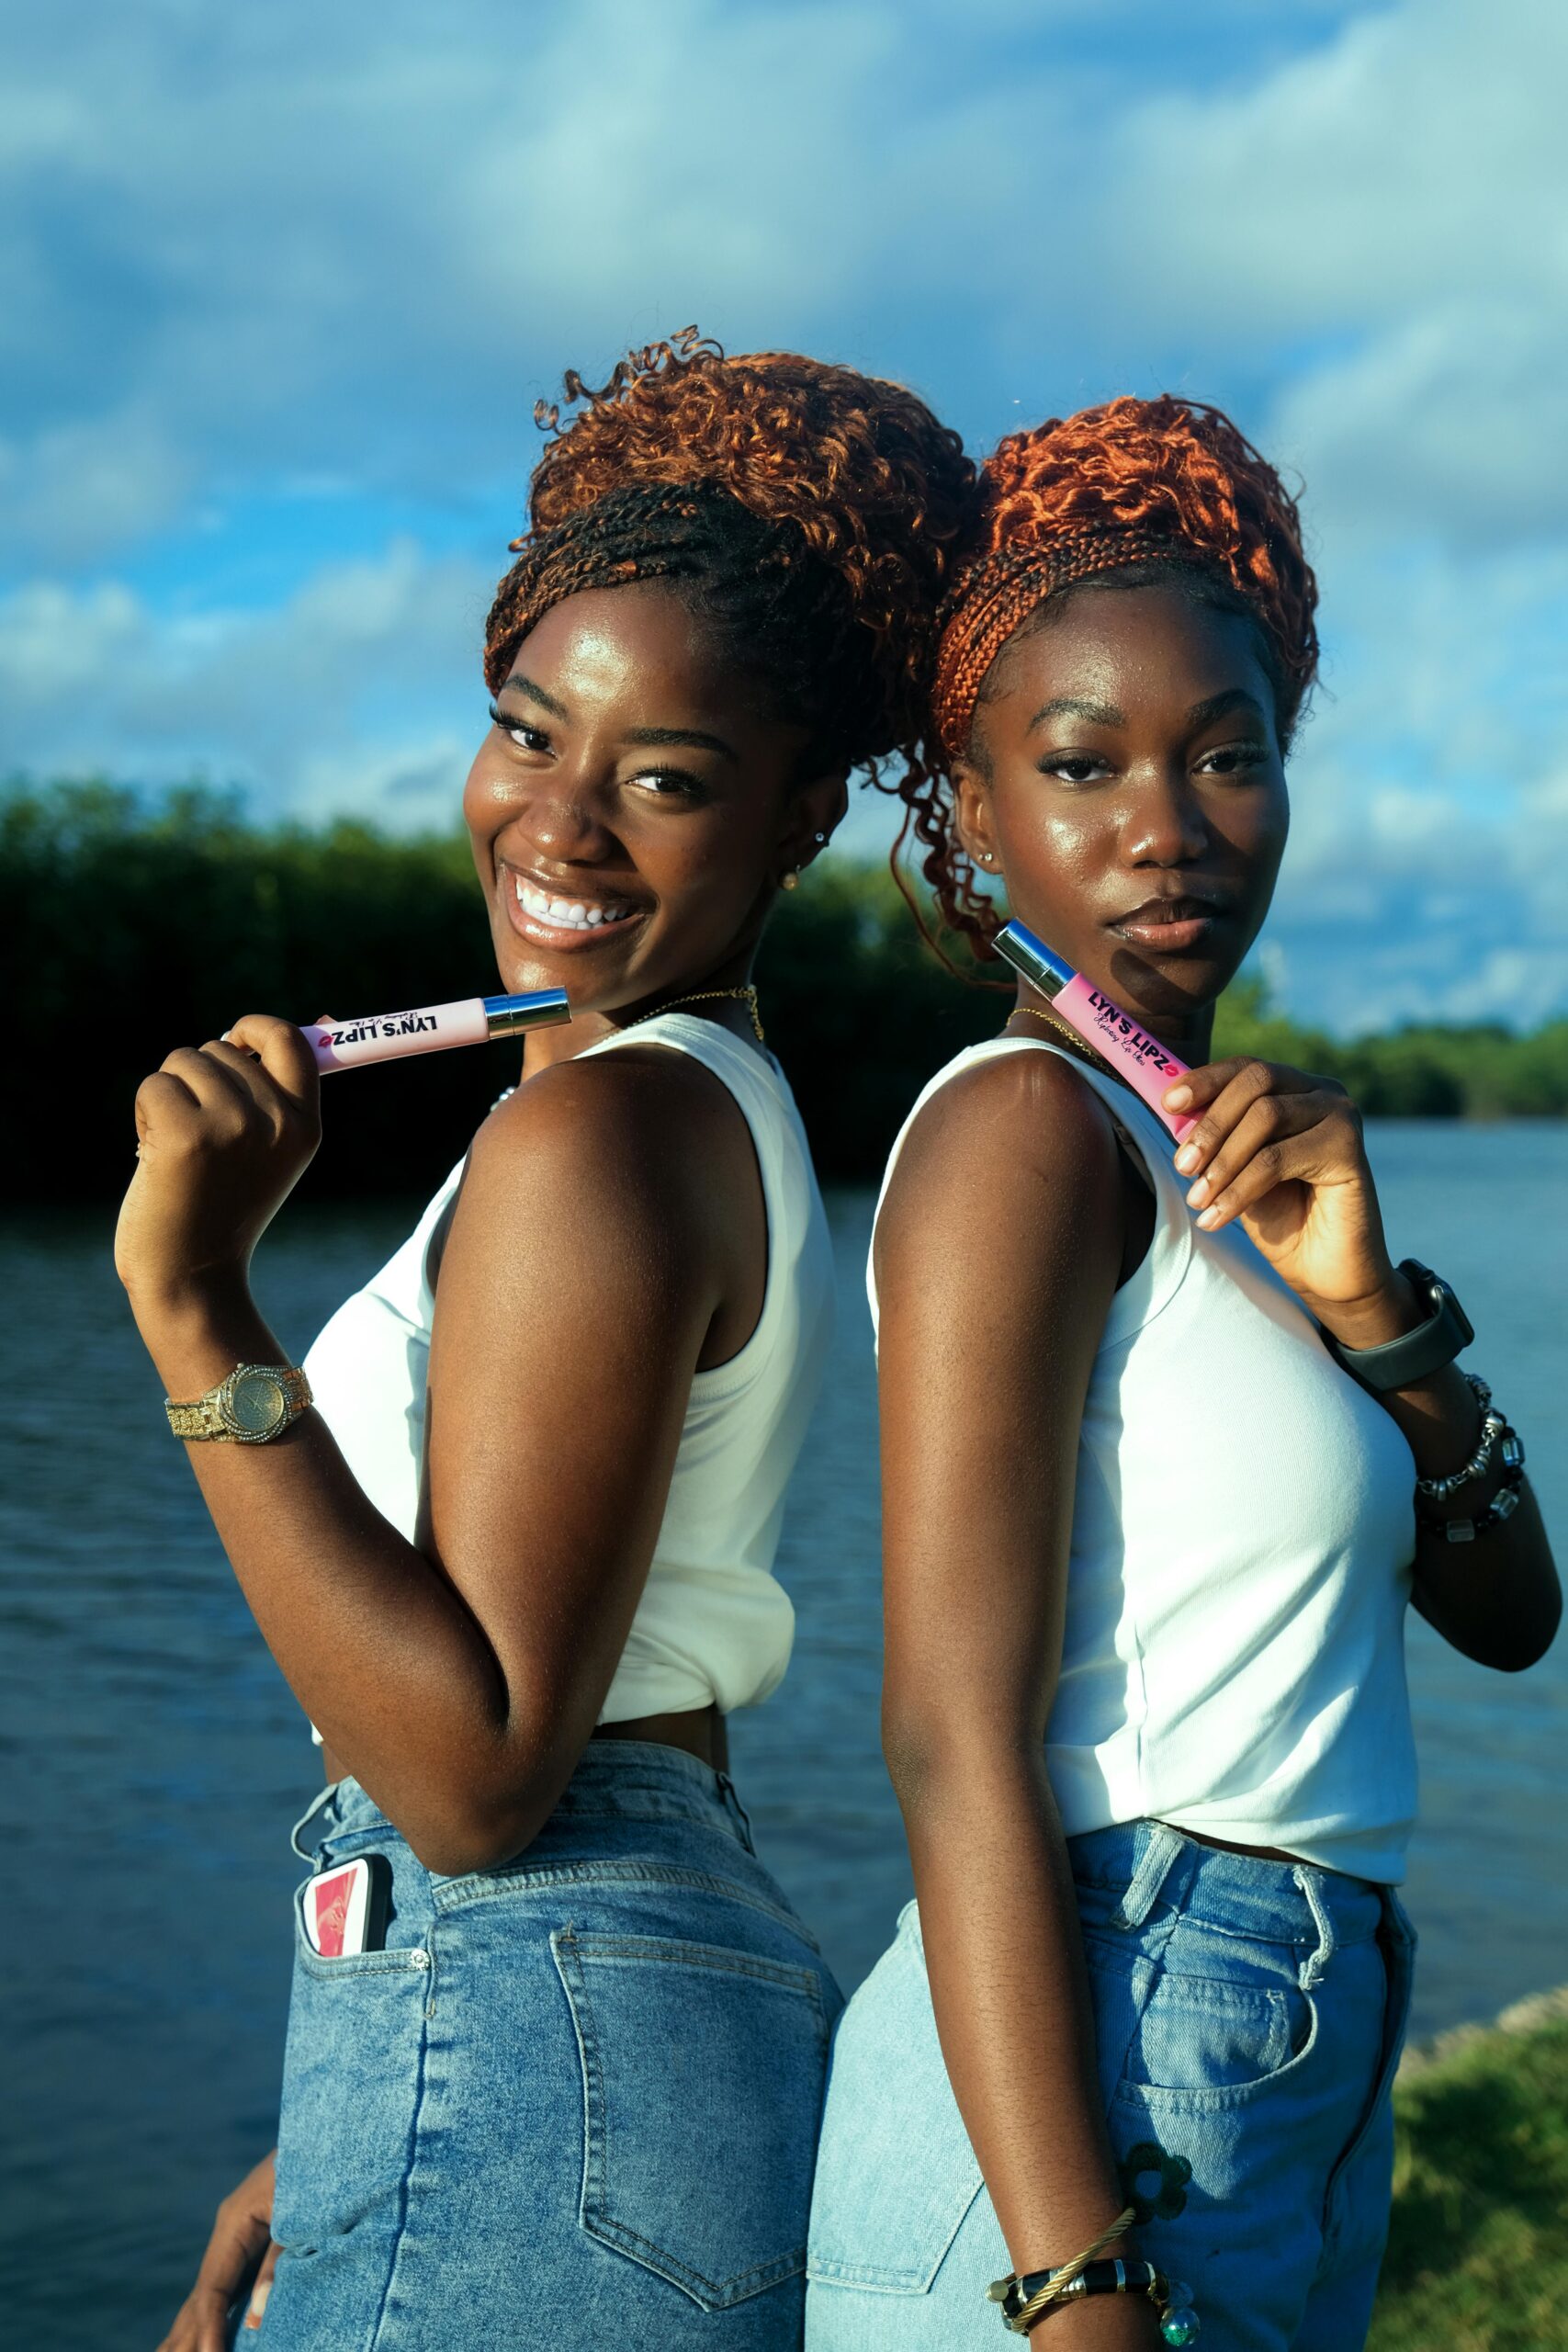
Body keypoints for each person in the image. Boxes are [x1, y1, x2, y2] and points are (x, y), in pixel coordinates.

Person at [117, 328, 973, 2352]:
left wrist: (193, 1307)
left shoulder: (595, 1127)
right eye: (526, 732)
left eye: (664, 777)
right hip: (575, 2017)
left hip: (535, 2000)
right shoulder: (695, 1100)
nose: (560, 824)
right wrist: (341, 2121)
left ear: (797, 818)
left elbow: (484, 1778)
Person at [804, 395, 1560, 2352]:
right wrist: (1070, 2281)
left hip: (1276, 2060)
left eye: (1224, 753)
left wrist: (1368, 1296)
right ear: (972, 812)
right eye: (1080, 764)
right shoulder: (1017, 1134)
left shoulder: (1219, 1158)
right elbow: (947, 1729)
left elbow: (1506, 1614)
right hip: (1093, 2078)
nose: (1164, 822)